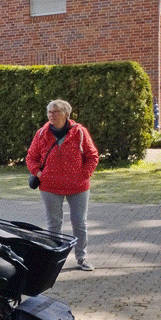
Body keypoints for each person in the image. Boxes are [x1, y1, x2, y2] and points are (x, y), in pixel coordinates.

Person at [26, 99, 99, 271]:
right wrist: (39, 174)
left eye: (56, 111)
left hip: (78, 187)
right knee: (53, 224)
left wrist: (84, 175)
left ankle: (82, 258)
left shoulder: (79, 132)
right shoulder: (41, 133)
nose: (51, 115)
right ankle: (54, 261)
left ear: (66, 114)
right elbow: (31, 157)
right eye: (49, 112)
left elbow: (92, 156)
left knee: (79, 223)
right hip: (50, 187)